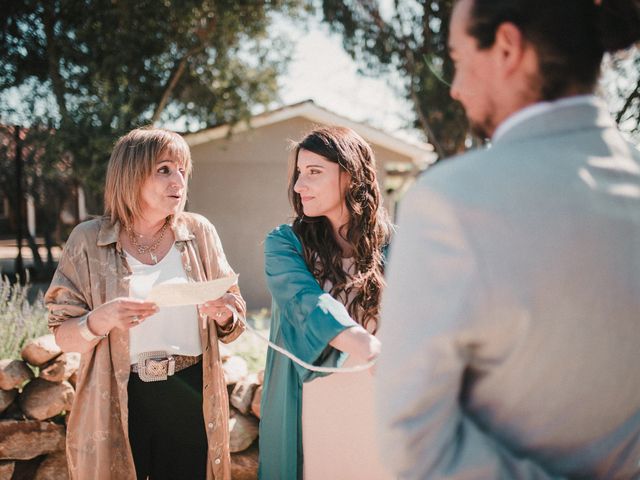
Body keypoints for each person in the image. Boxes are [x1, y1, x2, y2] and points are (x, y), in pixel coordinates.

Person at [376, 0, 640, 478]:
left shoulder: (449, 203)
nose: (454, 90)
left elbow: (415, 446)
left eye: (457, 60)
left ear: (506, 47)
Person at [45, 127, 246, 480]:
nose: (178, 180)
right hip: (120, 398)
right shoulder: (88, 240)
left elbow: (234, 316)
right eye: (164, 169)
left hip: (190, 394)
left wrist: (225, 312)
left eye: (183, 169)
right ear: (131, 175)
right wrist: (100, 320)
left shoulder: (199, 232)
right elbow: (63, 335)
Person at [258, 126, 394, 480]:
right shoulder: (285, 244)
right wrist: (368, 345)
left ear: (351, 176)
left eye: (314, 172)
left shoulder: (397, 248)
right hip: (312, 406)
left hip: (381, 406)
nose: (299, 185)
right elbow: (307, 301)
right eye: (299, 173)